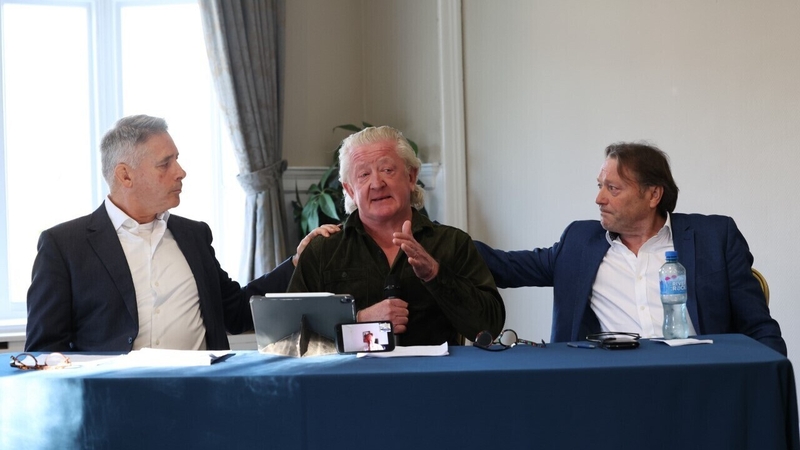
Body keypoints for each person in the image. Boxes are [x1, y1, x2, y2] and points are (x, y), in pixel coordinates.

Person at [25, 114, 337, 353]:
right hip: (111, 408)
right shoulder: (64, 246)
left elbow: (237, 312)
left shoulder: (194, 236)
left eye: (177, 159)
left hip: (200, 398)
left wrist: (296, 263)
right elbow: (45, 351)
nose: (181, 171)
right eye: (165, 163)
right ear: (125, 175)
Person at [474, 142, 787, 356]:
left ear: (653, 195)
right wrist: (432, 238)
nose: (599, 199)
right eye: (600, 186)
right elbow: (505, 266)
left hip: (698, 380)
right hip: (611, 386)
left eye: (613, 188)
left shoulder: (714, 238)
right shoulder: (580, 242)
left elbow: (759, 327)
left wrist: (768, 381)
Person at [288, 126, 505, 346]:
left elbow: (489, 326)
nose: (377, 184)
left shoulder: (453, 244)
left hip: (434, 378)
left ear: (411, 177)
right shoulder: (323, 250)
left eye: (387, 170)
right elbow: (291, 336)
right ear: (350, 190)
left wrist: (435, 274)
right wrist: (357, 319)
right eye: (364, 175)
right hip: (351, 378)